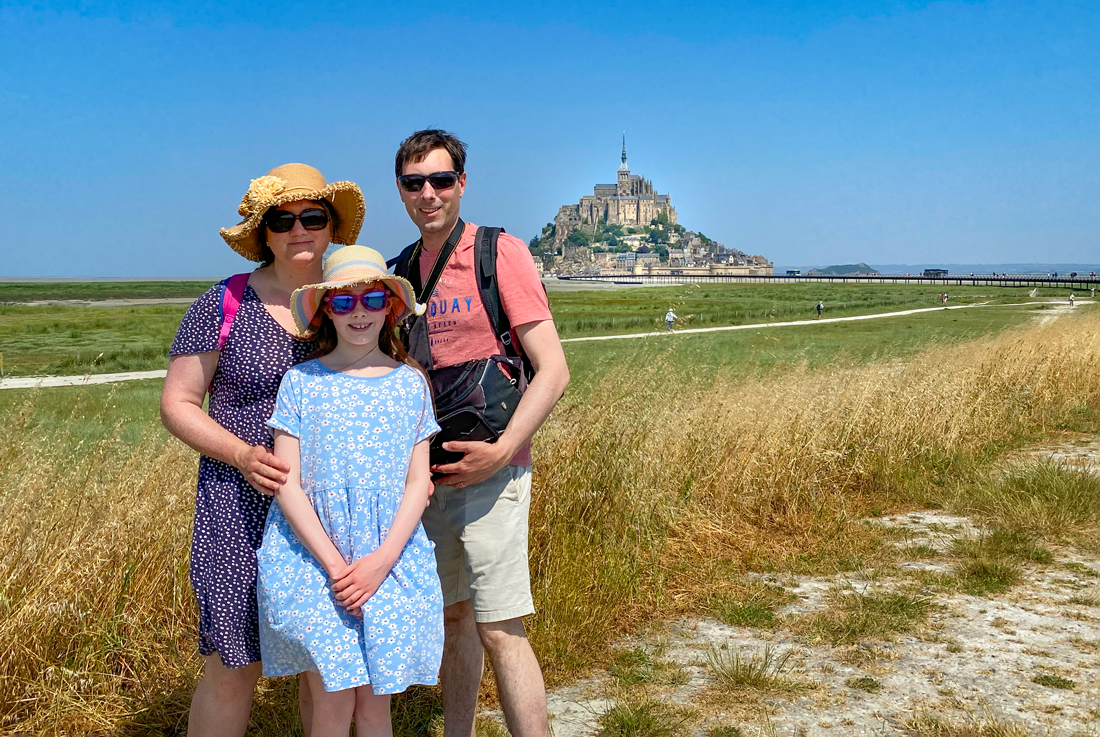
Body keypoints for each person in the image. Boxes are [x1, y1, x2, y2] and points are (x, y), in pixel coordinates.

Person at [160, 164, 364, 737]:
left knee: (325, 669)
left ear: (331, 228)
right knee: (232, 665)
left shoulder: (350, 298)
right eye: (283, 219)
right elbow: (177, 403)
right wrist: (244, 456)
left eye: (313, 217)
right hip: (236, 508)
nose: (300, 229)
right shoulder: (222, 303)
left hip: (331, 510)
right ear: (265, 233)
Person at [392, 129, 570, 737]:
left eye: (442, 181)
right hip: (434, 474)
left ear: (461, 183)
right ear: (401, 190)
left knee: (501, 626)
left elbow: (553, 369)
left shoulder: (499, 254)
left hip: (496, 469)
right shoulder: (400, 273)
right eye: (415, 184)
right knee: (455, 619)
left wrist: (499, 454)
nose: (429, 195)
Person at [256, 245, 443, 737]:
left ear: (390, 306)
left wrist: (379, 562)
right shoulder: (301, 382)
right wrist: (338, 568)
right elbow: (287, 483)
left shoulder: (410, 384)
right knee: (331, 700)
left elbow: (418, 482)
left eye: (371, 299)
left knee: (377, 707)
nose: (358, 312)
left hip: (391, 558)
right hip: (316, 561)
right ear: (324, 311)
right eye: (342, 302)